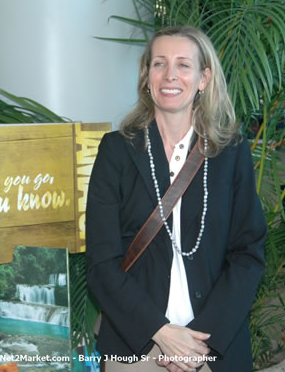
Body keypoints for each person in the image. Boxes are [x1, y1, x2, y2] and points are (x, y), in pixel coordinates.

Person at [86, 26, 267, 372]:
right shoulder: (116, 151)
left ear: (204, 78)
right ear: (147, 76)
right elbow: (101, 261)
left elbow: (248, 252)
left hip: (213, 346)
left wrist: (199, 340)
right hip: (136, 345)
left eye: (184, 65)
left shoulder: (230, 152)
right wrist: (161, 332)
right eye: (159, 64)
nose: (170, 75)